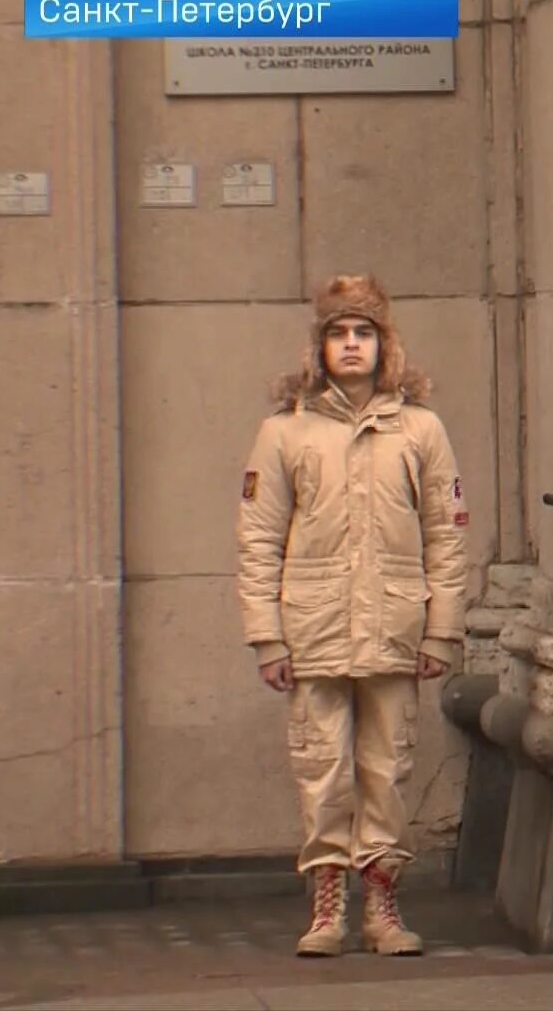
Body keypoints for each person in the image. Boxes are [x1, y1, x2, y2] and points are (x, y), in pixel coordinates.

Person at [236, 274, 469, 956]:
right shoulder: (285, 433)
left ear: (383, 343)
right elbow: (257, 537)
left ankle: (383, 902)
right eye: (338, 334)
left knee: (386, 767)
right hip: (312, 629)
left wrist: (441, 627)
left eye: (362, 333)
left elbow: (446, 533)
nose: (350, 345)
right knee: (321, 766)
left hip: (396, 627)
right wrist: (265, 636)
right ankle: (327, 901)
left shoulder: (420, 430)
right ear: (319, 346)